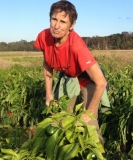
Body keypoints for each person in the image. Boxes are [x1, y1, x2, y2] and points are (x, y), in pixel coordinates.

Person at [34, 0, 107, 146]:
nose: (56, 26)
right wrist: (48, 94)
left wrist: (90, 112)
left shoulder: (77, 47)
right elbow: (47, 65)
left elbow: (101, 82)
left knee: (89, 123)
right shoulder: (44, 36)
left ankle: (96, 151)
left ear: (71, 26)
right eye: (54, 19)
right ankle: (62, 149)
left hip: (87, 78)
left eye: (63, 21)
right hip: (68, 76)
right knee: (59, 116)